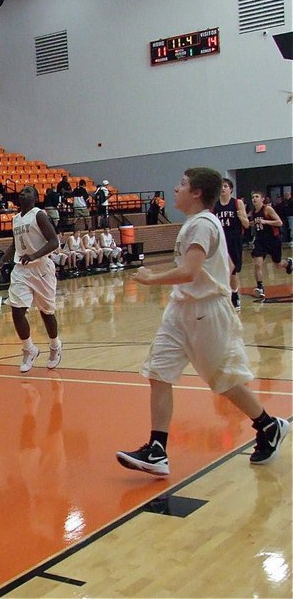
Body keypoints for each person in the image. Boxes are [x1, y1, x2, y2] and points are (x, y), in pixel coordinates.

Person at [116, 168, 290, 476]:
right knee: (158, 371)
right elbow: (228, 263)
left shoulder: (202, 225)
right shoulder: (198, 225)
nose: (175, 188)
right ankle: (157, 449)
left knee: (222, 380)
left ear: (196, 193)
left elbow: (190, 272)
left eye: (181, 184)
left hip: (207, 310)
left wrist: (151, 277)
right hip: (181, 308)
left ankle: (268, 425)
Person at [0, 186, 62, 372]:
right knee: (17, 310)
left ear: (35, 197)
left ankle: (55, 346)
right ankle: (29, 348)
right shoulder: (16, 218)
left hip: (41, 268)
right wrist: (2, 260)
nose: (23, 193)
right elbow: (15, 244)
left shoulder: (38, 215)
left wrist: (33, 256)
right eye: (22, 191)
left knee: (46, 312)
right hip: (21, 269)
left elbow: (54, 242)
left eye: (28, 191)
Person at [247, 190, 292, 298]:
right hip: (260, 241)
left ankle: (288, 263)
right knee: (257, 264)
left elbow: (279, 222)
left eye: (257, 196)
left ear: (262, 199)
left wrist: (266, 222)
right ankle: (260, 287)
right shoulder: (253, 212)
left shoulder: (267, 209)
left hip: (273, 240)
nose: (254, 199)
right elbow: (252, 223)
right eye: (253, 197)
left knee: (278, 264)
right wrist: (249, 223)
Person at [212, 178, 249, 309]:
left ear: (231, 189)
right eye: (221, 186)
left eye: (225, 186)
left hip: (234, 240)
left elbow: (247, 224)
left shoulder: (237, 203)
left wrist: (241, 217)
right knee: (222, 269)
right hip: (220, 241)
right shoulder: (215, 205)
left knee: (233, 270)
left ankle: (234, 295)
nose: (223, 188)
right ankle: (224, 296)